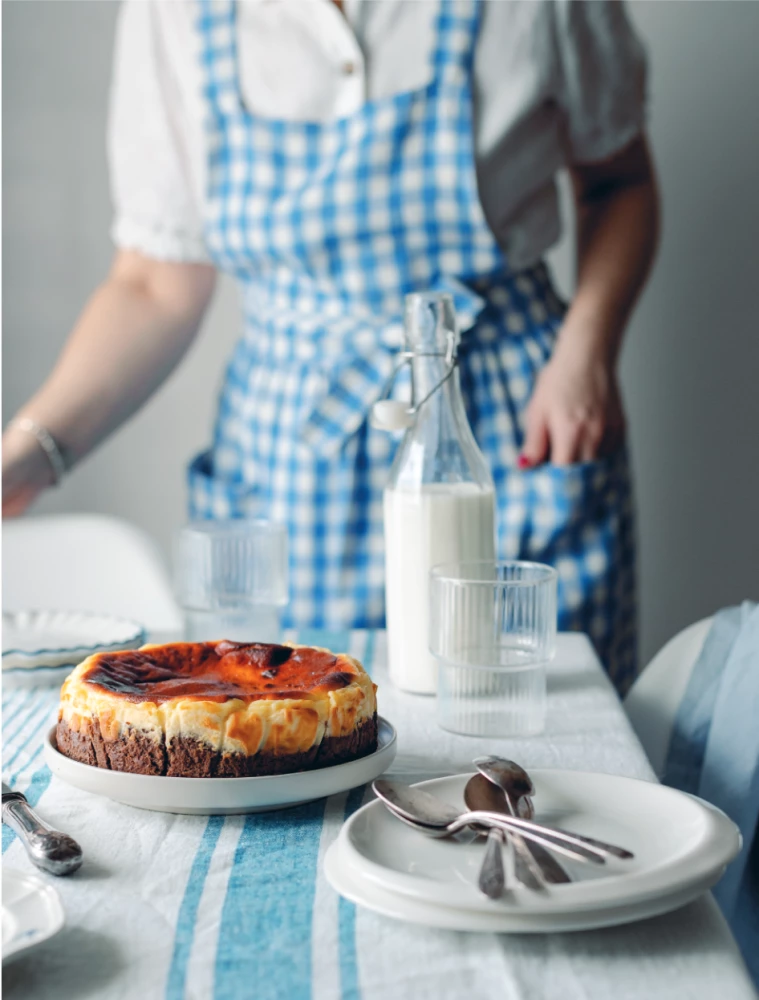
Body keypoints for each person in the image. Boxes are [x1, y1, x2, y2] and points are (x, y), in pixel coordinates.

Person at [2, 0, 658, 692]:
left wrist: (586, 352)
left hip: (498, 416)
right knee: (285, 728)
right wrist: (33, 451)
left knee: (520, 744)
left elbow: (618, 180)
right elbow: (153, 283)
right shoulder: (175, 11)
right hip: (286, 452)